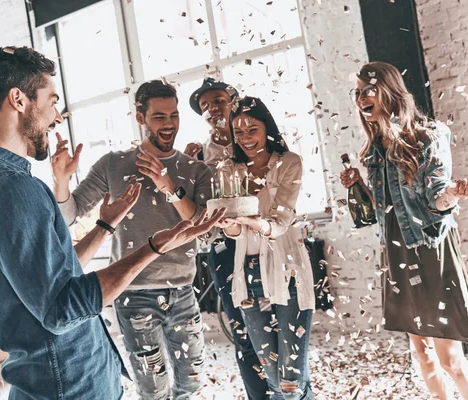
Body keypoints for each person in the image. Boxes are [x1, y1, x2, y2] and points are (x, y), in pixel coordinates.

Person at [0, 46, 224, 400]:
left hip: (59, 377)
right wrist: (154, 247)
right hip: (69, 381)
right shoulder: (12, 187)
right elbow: (60, 309)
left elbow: (56, 274)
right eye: (51, 101)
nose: (57, 117)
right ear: (18, 100)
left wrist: (105, 226)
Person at [54, 80, 214, 399]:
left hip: (182, 291)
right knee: (153, 389)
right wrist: (60, 180)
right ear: (140, 118)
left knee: (192, 383)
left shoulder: (195, 169)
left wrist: (169, 186)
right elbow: (69, 214)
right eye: (159, 117)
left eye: (174, 115)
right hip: (134, 295)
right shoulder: (114, 164)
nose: (169, 124)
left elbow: (203, 227)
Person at [340, 61, 468, 400]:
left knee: (450, 360)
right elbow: (385, 210)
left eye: (367, 90)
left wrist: (453, 192)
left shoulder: (430, 135)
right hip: (395, 251)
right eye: (357, 92)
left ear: (389, 90)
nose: (361, 97)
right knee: (423, 354)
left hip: (429, 248)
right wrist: (360, 186)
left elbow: (436, 199)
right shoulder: (375, 148)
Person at [216, 96, 316, 399]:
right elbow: (234, 232)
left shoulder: (289, 162)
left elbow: (283, 218)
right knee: (271, 374)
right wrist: (228, 224)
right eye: (239, 132)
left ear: (267, 128)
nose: (246, 138)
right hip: (247, 275)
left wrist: (253, 221)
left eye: (253, 130)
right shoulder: (229, 169)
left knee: (291, 378)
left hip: (287, 271)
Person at [188, 79, 270, 399]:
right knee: (242, 330)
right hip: (223, 248)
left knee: (273, 324)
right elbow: (195, 211)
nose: (212, 109)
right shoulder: (197, 155)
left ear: (233, 101)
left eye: (218, 101)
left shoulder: (253, 139)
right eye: (205, 105)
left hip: (263, 240)